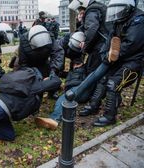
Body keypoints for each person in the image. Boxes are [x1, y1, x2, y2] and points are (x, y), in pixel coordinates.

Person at [34, 0, 109, 129]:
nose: (80, 13)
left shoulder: (92, 11)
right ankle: (91, 105)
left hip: (81, 87)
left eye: (81, 11)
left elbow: (91, 28)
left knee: (67, 96)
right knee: (90, 81)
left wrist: (85, 47)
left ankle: (54, 119)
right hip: (83, 82)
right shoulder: (97, 11)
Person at [80, 0, 144, 126]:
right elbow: (109, 40)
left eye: (118, 10)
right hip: (118, 59)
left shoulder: (139, 21)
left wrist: (113, 56)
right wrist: (105, 54)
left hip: (134, 61)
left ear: (128, 8)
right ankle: (94, 106)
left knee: (113, 83)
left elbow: (131, 45)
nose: (116, 13)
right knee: (102, 79)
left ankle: (110, 116)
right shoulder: (119, 21)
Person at [15, 25, 64, 99]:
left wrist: (54, 70)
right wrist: (33, 74)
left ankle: (52, 91)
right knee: (31, 78)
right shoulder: (24, 40)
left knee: (52, 74)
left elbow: (58, 53)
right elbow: (23, 63)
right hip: (30, 63)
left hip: (44, 61)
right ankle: (34, 95)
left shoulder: (50, 36)